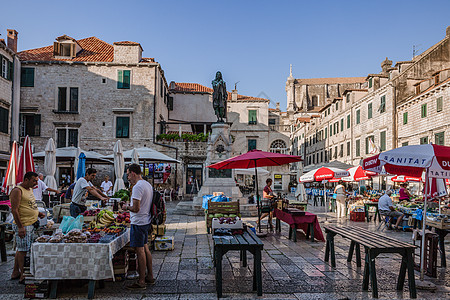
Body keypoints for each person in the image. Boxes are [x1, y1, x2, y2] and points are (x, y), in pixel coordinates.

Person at [121, 164, 155, 289]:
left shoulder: (137, 187)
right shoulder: (147, 184)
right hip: (146, 221)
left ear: (133, 173)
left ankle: (141, 281)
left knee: (139, 250)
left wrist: (126, 207)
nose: (127, 177)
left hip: (138, 222)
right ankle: (150, 276)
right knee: (145, 249)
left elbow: (136, 208)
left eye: (128, 174)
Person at [10, 172, 46, 283]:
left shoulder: (29, 189)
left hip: (31, 223)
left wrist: (37, 213)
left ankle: (15, 271)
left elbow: (29, 204)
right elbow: (14, 210)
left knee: (21, 248)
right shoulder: (17, 191)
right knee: (23, 250)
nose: (36, 183)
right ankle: (23, 274)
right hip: (24, 224)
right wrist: (20, 227)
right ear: (26, 180)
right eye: (34, 180)